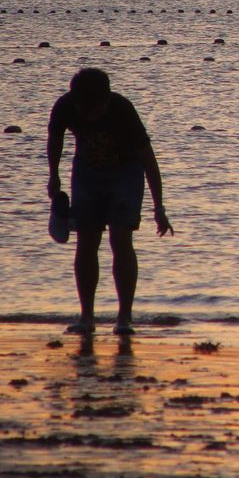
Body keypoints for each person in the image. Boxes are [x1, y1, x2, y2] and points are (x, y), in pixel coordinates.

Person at [47, 68, 172, 336]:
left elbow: (149, 162)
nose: (88, 114)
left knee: (120, 239)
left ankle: (124, 318)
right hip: (86, 173)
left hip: (125, 174)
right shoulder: (65, 106)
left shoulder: (122, 110)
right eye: (84, 108)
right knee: (86, 241)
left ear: (106, 100)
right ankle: (86, 317)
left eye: (94, 109)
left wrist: (159, 208)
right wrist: (53, 175)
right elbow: (55, 140)